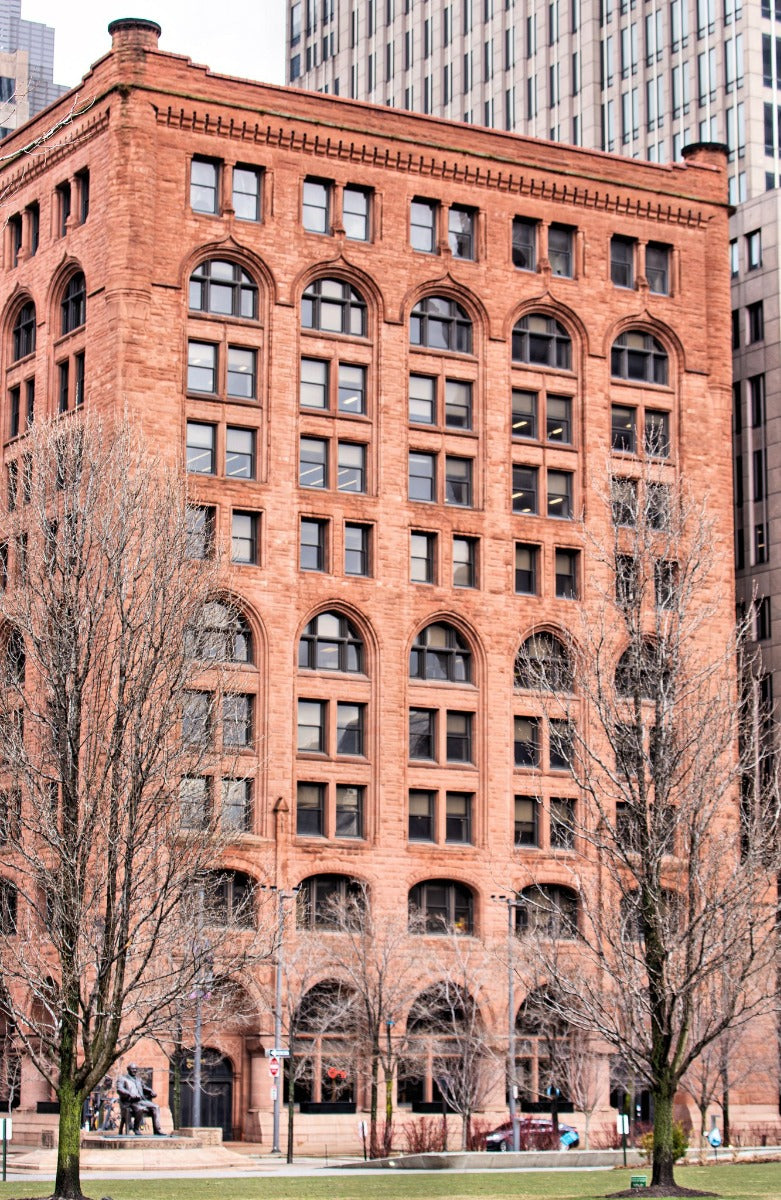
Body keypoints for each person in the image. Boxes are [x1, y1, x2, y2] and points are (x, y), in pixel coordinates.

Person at [115, 1063, 165, 1136]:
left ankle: (157, 1130)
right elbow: (119, 1089)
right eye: (133, 1069)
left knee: (156, 1107)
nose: (135, 1070)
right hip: (130, 1102)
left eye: (136, 1069)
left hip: (141, 1100)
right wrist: (129, 1093)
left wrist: (151, 1091)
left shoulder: (138, 1079)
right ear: (128, 1070)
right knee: (140, 1109)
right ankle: (136, 1128)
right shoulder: (122, 1079)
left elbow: (144, 1087)